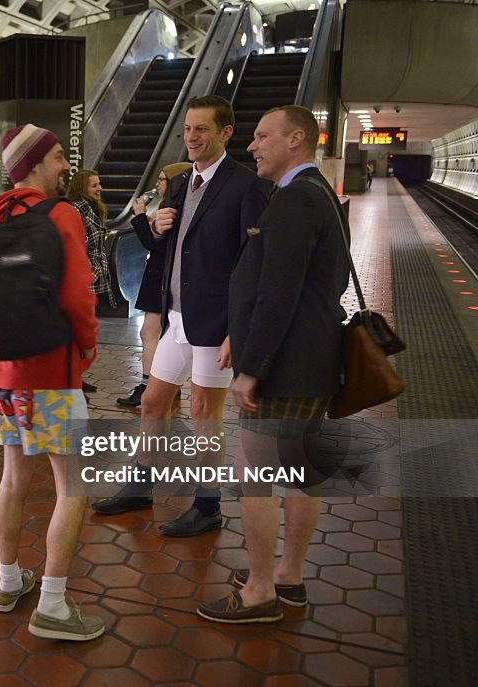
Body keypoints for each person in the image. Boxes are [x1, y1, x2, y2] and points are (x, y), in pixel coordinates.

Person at [0, 123, 104, 641]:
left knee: (13, 479)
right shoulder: (60, 215)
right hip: (53, 377)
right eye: (60, 156)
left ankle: (9, 581)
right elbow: (78, 296)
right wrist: (86, 347)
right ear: (35, 164)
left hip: (4, 380)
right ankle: (54, 607)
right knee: (73, 486)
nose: (67, 165)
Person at [198, 105, 349, 623]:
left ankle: (260, 590)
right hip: (311, 359)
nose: (253, 146)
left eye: (263, 136)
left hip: (283, 366)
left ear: (296, 139)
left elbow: (277, 293)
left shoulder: (293, 201)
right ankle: (288, 575)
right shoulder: (319, 194)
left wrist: (252, 367)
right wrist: (237, 336)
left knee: (255, 475)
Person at [91, 96, 269, 535]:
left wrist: (237, 328)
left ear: (226, 133)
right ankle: (140, 485)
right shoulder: (182, 182)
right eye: (187, 129)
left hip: (215, 324)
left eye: (201, 129)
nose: (190, 137)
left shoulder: (246, 186)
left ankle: (208, 504)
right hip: (176, 319)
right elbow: (167, 250)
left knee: (205, 410)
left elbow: (255, 260)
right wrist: (155, 229)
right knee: (153, 402)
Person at [116, 163, 192, 409]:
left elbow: (153, 244)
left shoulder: (172, 209)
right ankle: (170, 386)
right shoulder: (177, 207)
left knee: (148, 333)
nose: (157, 184)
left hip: (160, 279)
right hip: (164, 278)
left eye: (162, 179)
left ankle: (147, 384)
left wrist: (139, 217)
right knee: (158, 333)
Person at [66, 169, 111, 398]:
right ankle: (73, 380)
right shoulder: (76, 210)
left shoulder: (93, 208)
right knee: (79, 331)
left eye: (99, 183)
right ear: (82, 187)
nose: (99, 188)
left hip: (92, 274)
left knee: (86, 331)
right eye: (94, 185)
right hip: (83, 277)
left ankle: (78, 378)